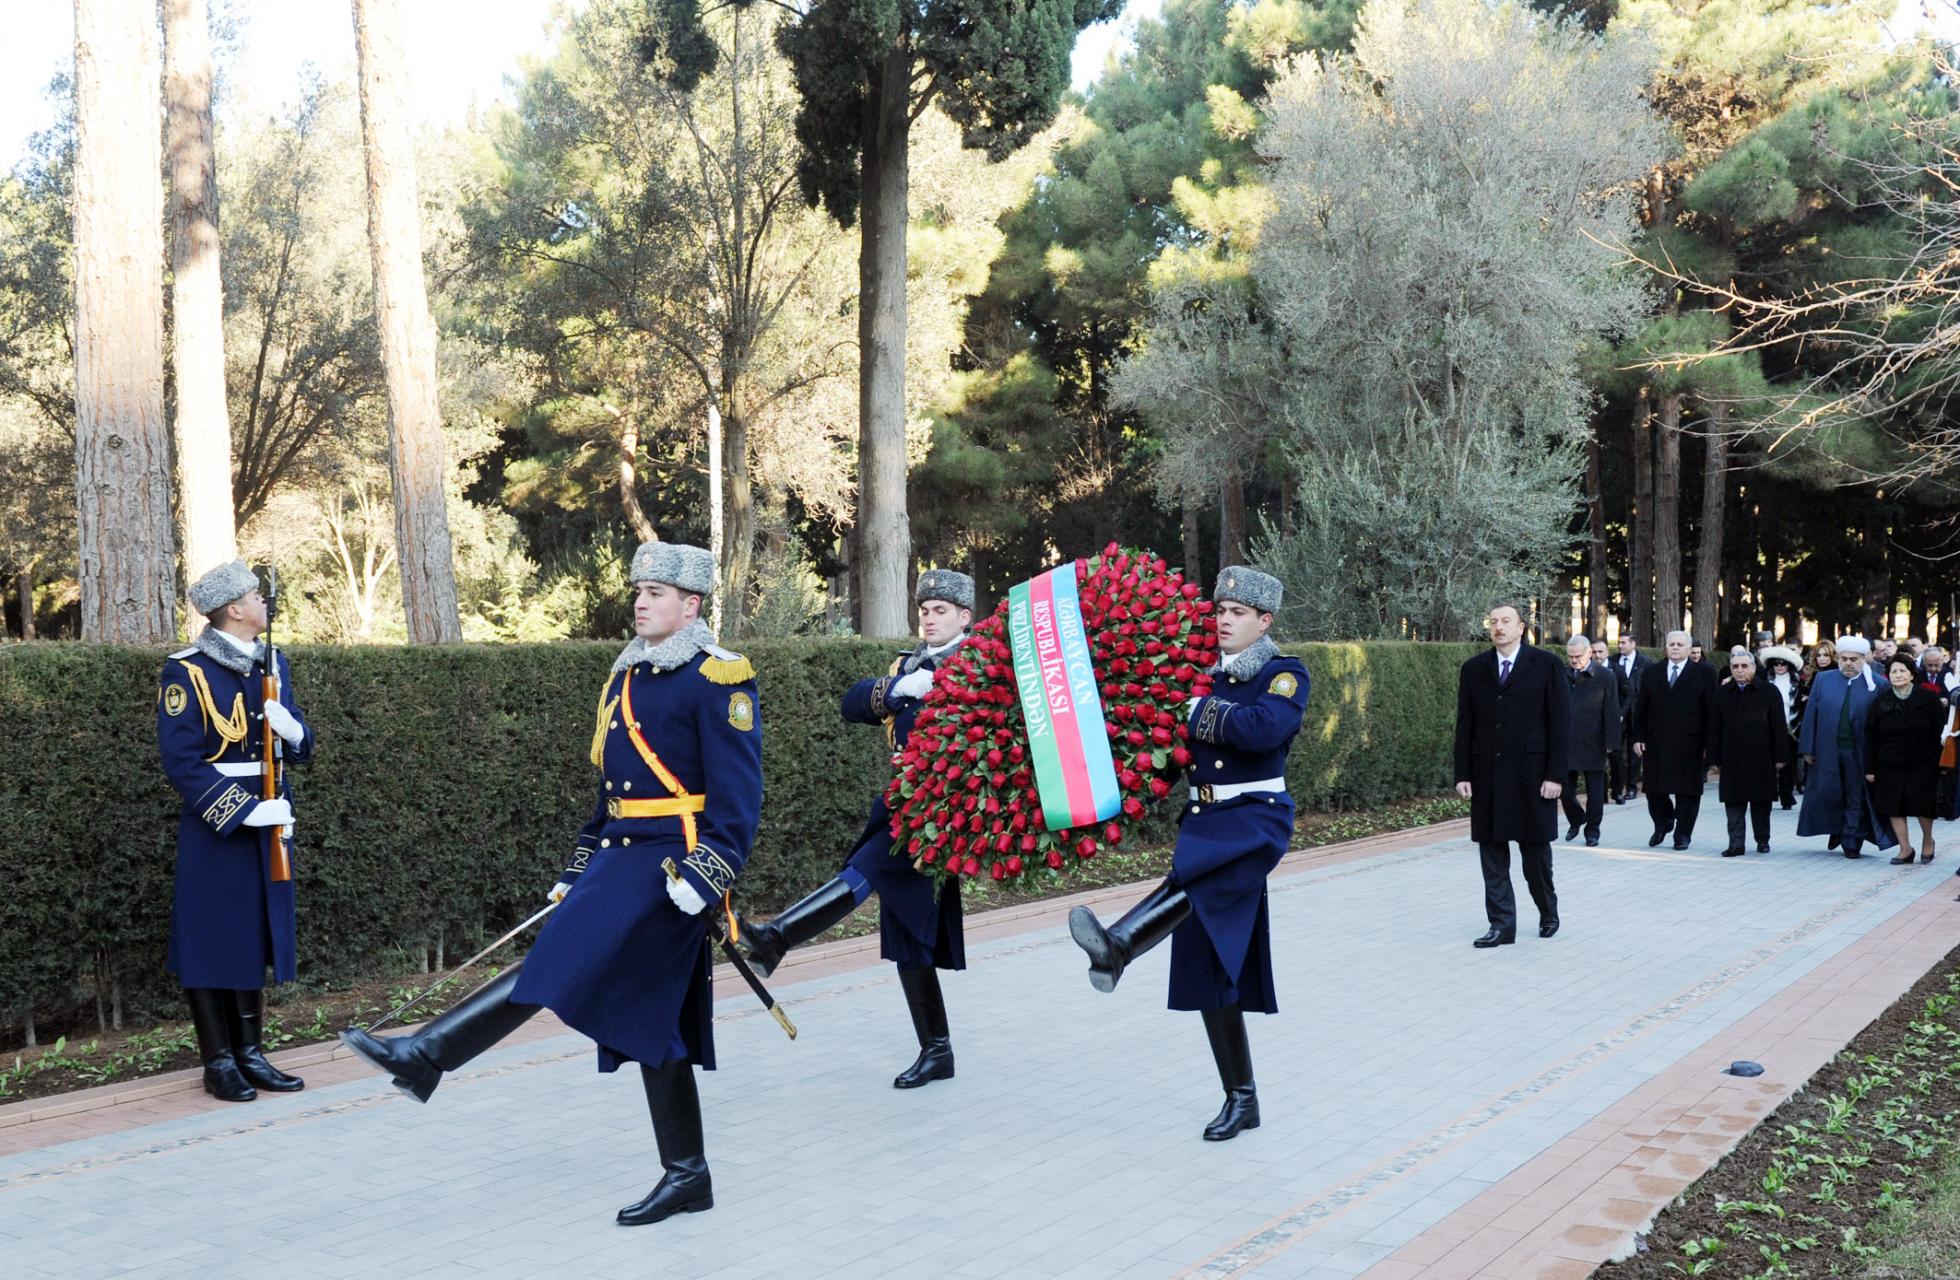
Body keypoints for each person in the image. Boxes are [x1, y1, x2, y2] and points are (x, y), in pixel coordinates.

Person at [340, 542, 763, 1226]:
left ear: (691, 605)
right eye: (639, 590)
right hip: (620, 860)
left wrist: (709, 871)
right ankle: (689, 1175)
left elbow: (739, 795)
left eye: (656, 592)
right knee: (656, 1026)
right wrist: (577, 868)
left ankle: (428, 1054)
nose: (641, 600)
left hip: (669, 866)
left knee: (555, 962)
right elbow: (611, 796)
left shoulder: (717, 678)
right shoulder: (625, 677)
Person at [1067, 566, 1308, 1142]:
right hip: (1205, 820)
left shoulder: (1283, 673)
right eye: (1220, 611)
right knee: (1213, 969)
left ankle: (1120, 945)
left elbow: (1261, 729)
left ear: (1264, 621)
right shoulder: (1201, 674)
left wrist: (1194, 709)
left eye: (1238, 613)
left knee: (1197, 884)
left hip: (1255, 820)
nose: (1224, 621)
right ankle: (1241, 1099)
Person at [741, 570, 974, 1089]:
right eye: (925, 609)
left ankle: (779, 937)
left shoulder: (978, 666)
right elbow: (852, 704)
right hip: (903, 802)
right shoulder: (909, 665)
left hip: (943, 811)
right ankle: (938, 1051)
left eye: (941, 611)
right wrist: (900, 687)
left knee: (865, 869)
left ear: (965, 617)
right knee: (908, 933)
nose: (929, 617)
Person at [158, 559, 314, 1103]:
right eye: (256, 596)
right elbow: (182, 761)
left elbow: (298, 743)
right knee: (208, 939)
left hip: (272, 816)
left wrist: (295, 731)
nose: (264, 604)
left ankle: (250, 1053)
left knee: (252, 935)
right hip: (218, 825)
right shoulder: (189, 671)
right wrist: (244, 811)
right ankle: (218, 1061)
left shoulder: (273, 662)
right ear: (234, 609)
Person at [1451, 603, 1569, 947]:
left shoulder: (1546, 665)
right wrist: (1463, 772)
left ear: (1521, 627)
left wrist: (1555, 776)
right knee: (1492, 854)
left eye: (1506, 621)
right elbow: (1465, 725)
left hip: (1532, 778)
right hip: (1487, 776)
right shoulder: (1474, 669)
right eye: (1494, 622)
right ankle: (1502, 925)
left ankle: (1548, 910)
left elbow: (1560, 724)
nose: (1499, 627)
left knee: (1535, 856)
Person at [1796, 636, 1894, 859]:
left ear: (1864, 659)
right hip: (1826, 750)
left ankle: (1851, 840)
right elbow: (1811, 713)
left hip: (1859, 752)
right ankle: (1837, 831)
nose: (1848, 663)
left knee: (1856, 796)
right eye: (1844, 659)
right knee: (1830, 793)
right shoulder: (1823, 679)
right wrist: (1807, 748)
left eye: (1854, 659)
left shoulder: (1878, 684)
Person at [1631, 630, 1718, 850]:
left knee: (1687, 791)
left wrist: (1710, 744)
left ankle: (1683, 834)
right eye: (1671, 644)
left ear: (1689, 649)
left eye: (1680, 644)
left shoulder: (1704, 673)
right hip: (1656, 741)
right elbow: (1641, 709)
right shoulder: (1652, 672)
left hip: (1690, 743)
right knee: (1654, 790)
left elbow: (1712, 711)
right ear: (1666, 647)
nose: (1675, 647)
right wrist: (1638, 737)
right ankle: (1663, 823)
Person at [1705, 651, 1791, 857]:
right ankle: (1736, 843)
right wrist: (1713, 759)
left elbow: (1779, 726)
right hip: (1731, 758)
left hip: (1761, 757)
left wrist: (1781, 756)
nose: (1740, 670)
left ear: (1753, 667)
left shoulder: (1769, 691)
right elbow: (1714, 728)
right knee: (1733, 803)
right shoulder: (1722, 693)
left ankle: (1762, 840)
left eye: (1744, 666)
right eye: (1735, 667)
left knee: (1761, 802)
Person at [1866, 653, 1946, 865]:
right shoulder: (1881, 702)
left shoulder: (1928, 699)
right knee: (1893, 805)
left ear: (1911, 674)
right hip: (1889, 763)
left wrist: (1940, 761)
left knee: (1923, 804)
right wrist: (1870, 767)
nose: (1898, 675)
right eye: (1894, 671)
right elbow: (1871, 735)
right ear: (1888, 675)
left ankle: (1928, 841)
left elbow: (1941, 730)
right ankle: (1905, 848)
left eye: (1902, 671)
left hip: (1924, 762)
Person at [1561, 635, 1619, 847]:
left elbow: (1611, 710)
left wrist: (1611, 741)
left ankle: (1592, 829)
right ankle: (1576, 819)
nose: (1574, 661)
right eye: (1570, 657)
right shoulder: (1562, 674)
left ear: (1589, 653)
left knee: (1596, 791)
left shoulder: (1605, 676)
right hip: (1566, 741)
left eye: (1578, 656)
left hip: (1594, 741)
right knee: (1565, 789)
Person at [1761, 646, 1805, 809]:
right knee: (1768, 763)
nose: (1779, 667)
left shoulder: (1798, 682)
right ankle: (1769, 794)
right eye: (1776, 664)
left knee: (1789, 764)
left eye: (1783, 664)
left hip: (1791, 728)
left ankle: (1786, 797)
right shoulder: (1765, 681)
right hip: (1769, 728)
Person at [1612, 634, 1651, 803]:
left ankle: (1632, 787)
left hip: (1637, 712)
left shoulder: (1646, 662)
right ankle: (1617, 788)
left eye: (1623, 642)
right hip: (1619, 711)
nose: (1620, 645)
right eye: (1619, 642)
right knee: (1616, 752)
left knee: (1635, 753)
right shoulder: (1613, 661)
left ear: (1633, 644)